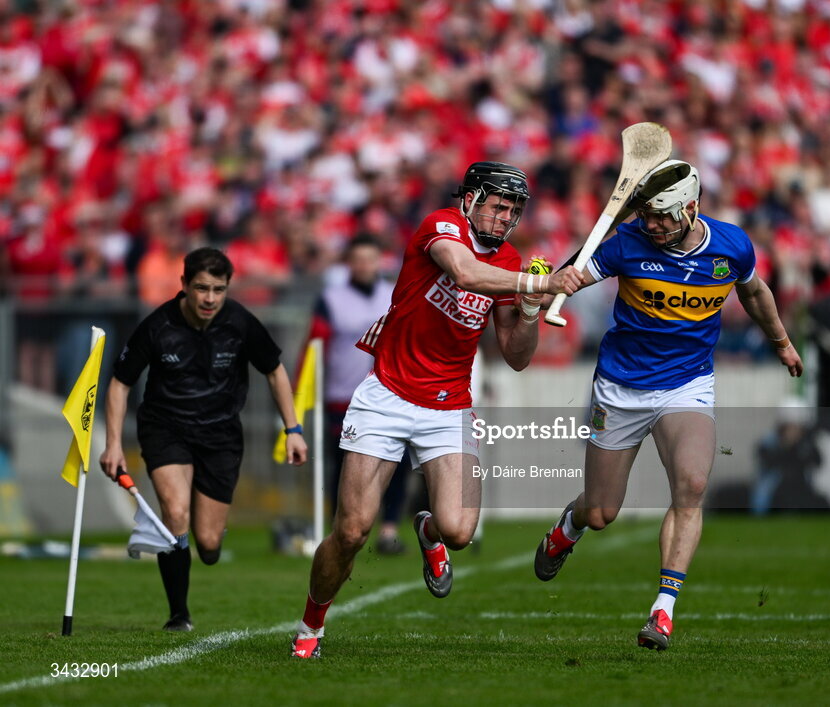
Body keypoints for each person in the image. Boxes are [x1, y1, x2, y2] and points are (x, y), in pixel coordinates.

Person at [290, 161, 584, 659]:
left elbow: (516, 355)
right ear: (470, 199)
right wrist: (540, 285)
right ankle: (311, 625)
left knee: (460, 531)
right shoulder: (441, 225)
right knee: (352, 530)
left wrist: (530, 309)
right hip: (386, 394)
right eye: (497, 204)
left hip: (450, 407)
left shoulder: (511, 261)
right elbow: (465, 271)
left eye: (513, 209)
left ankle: (427, 530)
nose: (504, 215)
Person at [532, 160, 803, 651]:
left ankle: (663, 610)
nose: (650, 224)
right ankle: (567, 528)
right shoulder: (625, 242)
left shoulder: (731, 246)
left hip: (688, 384)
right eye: (646, 215)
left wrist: (781, 342)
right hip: (621, 385)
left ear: (691, 208)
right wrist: (563, 281)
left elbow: (756, 292)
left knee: (693, 484)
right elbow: (569, 275)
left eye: (661, 216)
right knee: (600, 512)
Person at [99, 247, 308, 631]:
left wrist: (293, 429)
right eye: (201, 288)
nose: (209, 298)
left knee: (209, 545)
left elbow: (275, 371)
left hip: (221, 434)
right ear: (183, 286)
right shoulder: (157, 326)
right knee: (174, 514)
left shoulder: (240, 322)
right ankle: (179, 614)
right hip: (166, 429)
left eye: (218, 289)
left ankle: (207, 539)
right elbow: (120, 383)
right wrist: (113, 443)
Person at [304, 234, 410, 554]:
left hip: (389, 392)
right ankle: (342, 529)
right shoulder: (331, 299)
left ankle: (388, 528)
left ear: (380, 261)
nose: (364, 265)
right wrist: (305, 391)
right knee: (342, 464)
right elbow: (313, 346)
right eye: (358, 259)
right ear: (348, 263)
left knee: (398, 459)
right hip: (342, 395)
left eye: (370, 259)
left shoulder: (395, 294)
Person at [750, 397, 829, 515]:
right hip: (773, 490)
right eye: (791, 427)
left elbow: (818, 461)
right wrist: (787, 446)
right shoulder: (769, 441)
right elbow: (766, 460)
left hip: (801, 488)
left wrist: (803, 448)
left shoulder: (806, 444)